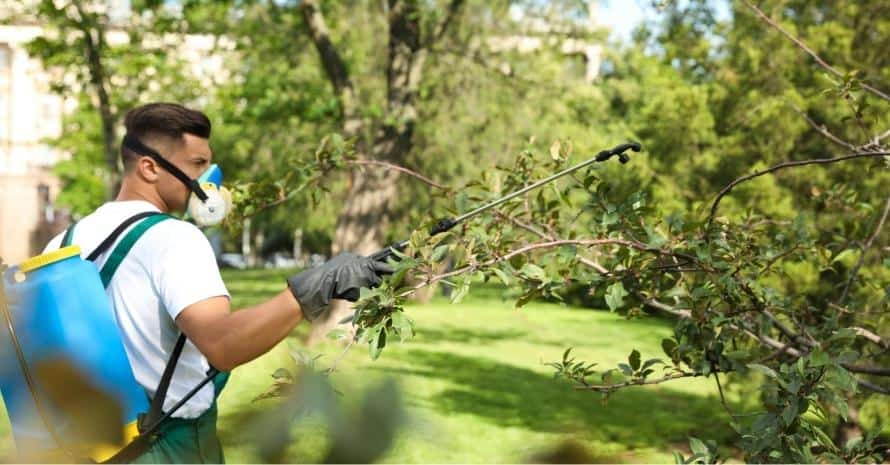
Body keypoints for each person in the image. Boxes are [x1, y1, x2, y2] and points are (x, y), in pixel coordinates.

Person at [42, 102, 391, 463]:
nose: (209, 179)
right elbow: (223, 343)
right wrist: (316, 287)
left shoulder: (65, 241)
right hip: (165, 448)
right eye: (197, 165)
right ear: (149, 168)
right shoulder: (174, 238)